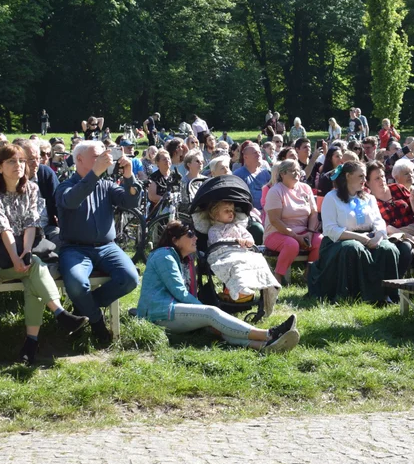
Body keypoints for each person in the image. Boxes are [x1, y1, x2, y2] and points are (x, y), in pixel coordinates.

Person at [0, 143, 88, 364]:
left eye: (21, 161)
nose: (18, 165)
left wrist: (26, 253)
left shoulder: (31, 188)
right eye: (12, 161)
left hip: (26, 255)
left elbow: (32, 222)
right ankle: (60, 315)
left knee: (33, 275)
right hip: (1, 257)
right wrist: (16, 257)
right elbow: (3, 227)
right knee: (36, 268)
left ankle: (31, 343)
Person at [138, 221, 299, 352]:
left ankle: (263, 346)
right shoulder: (164, 256)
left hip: (170, 310)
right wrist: (202, 311)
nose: (195, 238)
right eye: (190, 234)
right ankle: (270, 334)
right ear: (175, 240)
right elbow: (179, 292)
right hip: (157, 313)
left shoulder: (182, 260)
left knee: (216, 324)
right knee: (211, 313)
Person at [55, 140, 141, 345]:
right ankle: (96, 321)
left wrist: (129, 176)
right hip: (74, 249)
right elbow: (71, 200)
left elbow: (132, 202)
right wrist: (95, 173)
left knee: (130, 278)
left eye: (104, 156)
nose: (104, 160)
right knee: (76, 283)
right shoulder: (65, 186)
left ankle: (84, 307)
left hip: (107, 247)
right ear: (79, 159)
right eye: (96, 156)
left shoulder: (106, 185)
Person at [310, 160, 400, 304]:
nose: (365, 180)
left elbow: (378, 221)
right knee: (353, 248)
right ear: (347, 176)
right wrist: (359, 238)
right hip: (338, 242)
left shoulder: (369, 198)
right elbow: (330, 230)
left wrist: (378, 236)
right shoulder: (331, 198)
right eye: (361, 176)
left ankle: (387, 295)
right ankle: (355, 296)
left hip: (369, 237)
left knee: (389, 249)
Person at [263, 159, 323, 284]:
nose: (297, 173)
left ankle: (308, 275)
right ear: (282, 174)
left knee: (320, 241)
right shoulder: (275, 191)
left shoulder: (306, 188)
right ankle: (277, 278)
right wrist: (296, 237)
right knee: (291, 244)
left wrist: (311, 233)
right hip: (277, 233)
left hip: (304, 231)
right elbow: (275, 220)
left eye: (298, 170)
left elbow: (313, 213)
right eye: (292, 171)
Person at [365, 161, 414, 276]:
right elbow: (385, 228)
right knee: (405, 248)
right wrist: (410, 237)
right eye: (377, 178)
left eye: (383, 176)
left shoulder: (398, 188)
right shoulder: (369, 201)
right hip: (394, 235)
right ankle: (394, 287)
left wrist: (413, 199)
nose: (382, 180)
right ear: (368, 183)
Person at [233, 142, 271, 212]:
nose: (259, 154)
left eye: (259, 152)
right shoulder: (238, 175)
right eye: (255, 153)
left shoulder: (266, 173)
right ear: (245, 157)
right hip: (251, 214)